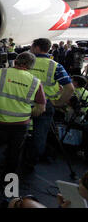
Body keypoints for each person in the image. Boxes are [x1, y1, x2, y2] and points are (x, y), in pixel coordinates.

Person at [0, 52, 46, 185]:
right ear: (30, 66)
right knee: (14, 153)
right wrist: (28, 114)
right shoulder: (35, 82)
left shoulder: (1, 73)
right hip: (20, 125)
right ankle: (9, 182)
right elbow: (41, 108)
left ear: (15, 62)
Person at [24, 38, 75, 172]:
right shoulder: (55, 66)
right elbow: (70, 88)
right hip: (46, 105)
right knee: (39, 135)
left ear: (36, 48)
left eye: (31, 46)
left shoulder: (26, 62)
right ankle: (31, 162)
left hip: (24, 104)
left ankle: (16, 157)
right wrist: (58, 103)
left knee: (19, 132)